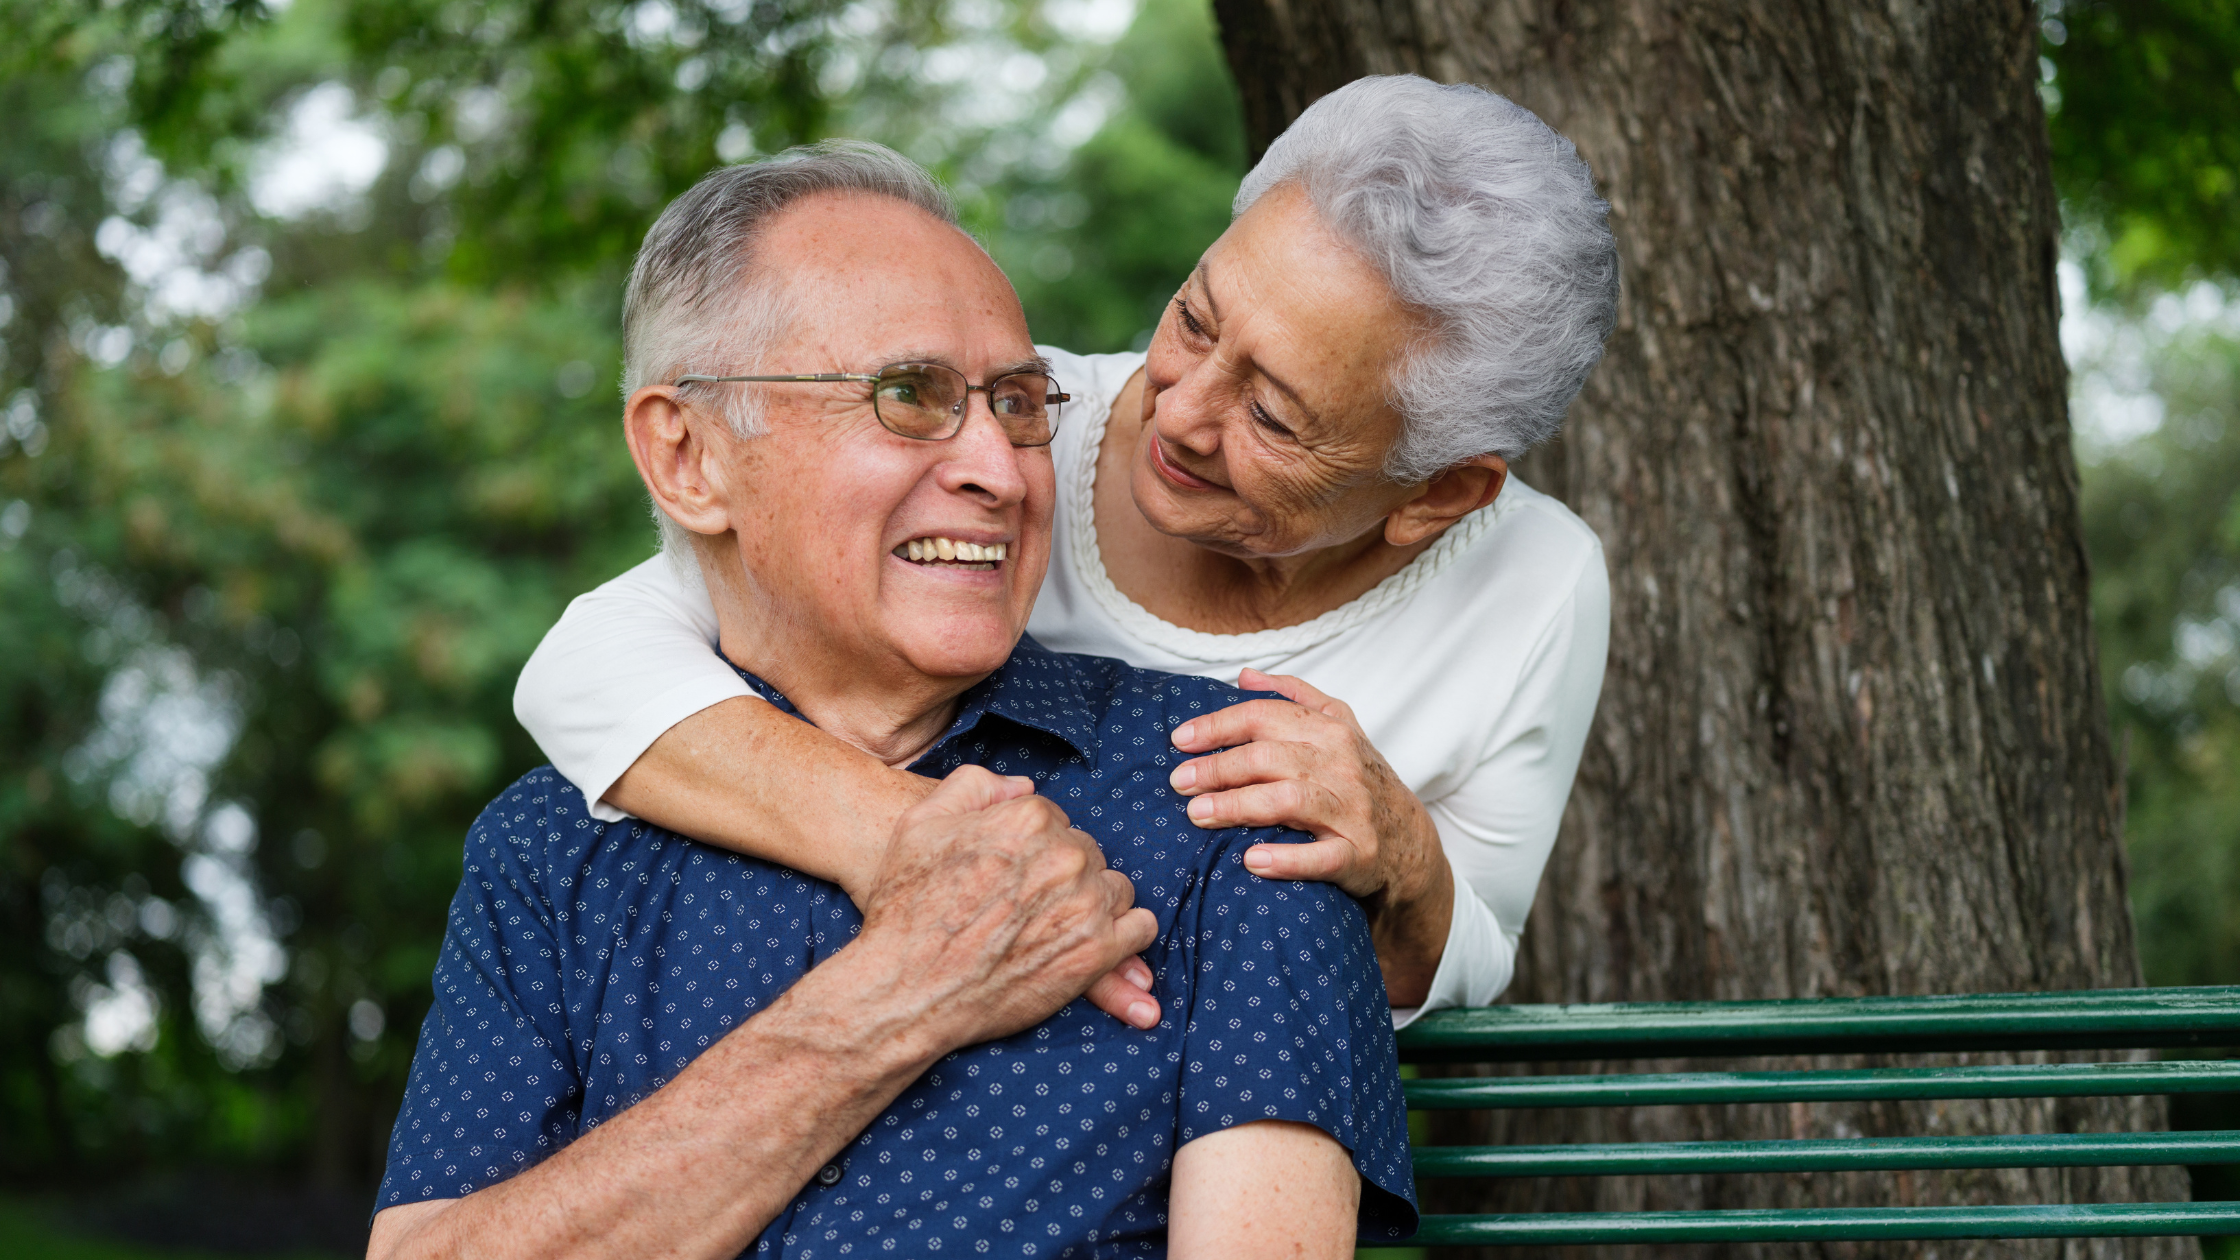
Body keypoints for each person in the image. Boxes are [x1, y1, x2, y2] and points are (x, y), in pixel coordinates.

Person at [368, 144, 1414, 1260]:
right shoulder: (547, 853)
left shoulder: (1231, 788)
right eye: (908, 396)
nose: (1002, 473)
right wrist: (890, 999)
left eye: (1016, 405)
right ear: (687, 457)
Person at [513, 74, 1620, 1022]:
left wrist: (1402, 852)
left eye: (1274, 419)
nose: (1177, 410)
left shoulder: (1535, 581)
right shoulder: (996, 431)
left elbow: (1465, 950)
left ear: (1437, 494)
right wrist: (914, 839)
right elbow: (587, 668)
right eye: (1193, 319)